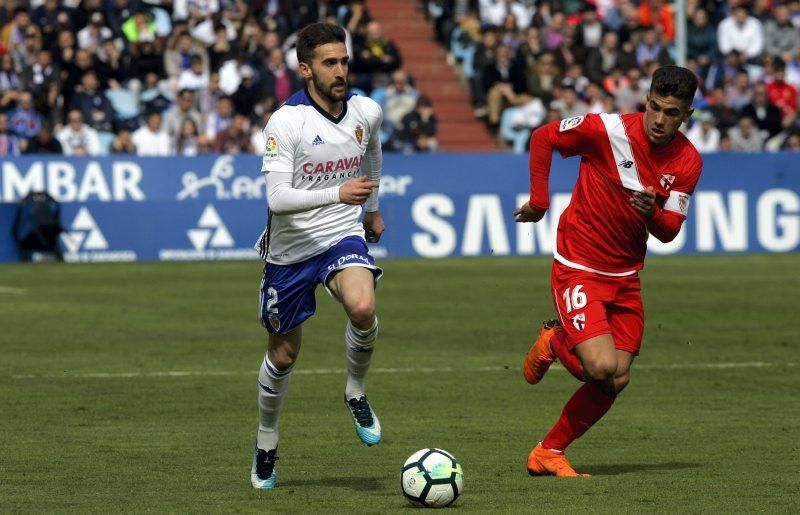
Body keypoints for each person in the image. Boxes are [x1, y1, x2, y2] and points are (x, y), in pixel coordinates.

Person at [514, 65, 703, 477]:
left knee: (616, 379)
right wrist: (540, 202)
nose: (658, 119)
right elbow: (543, 136)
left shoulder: (688, 161)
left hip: (625, 276)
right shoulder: (608, 129)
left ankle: (548, 451)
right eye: (654, 107)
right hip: (579, 264)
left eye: (671, 113)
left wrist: (650, 210)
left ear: (687, 114)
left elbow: (669, 231)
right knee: (598, 367)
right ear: (646, 99)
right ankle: (554, 339)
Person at [250, 22, 385, 490]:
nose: (341, 70)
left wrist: (370, 208)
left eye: (344, 61)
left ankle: (355, 391)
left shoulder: (367, 111)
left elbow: (372, 154)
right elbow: (277, 199)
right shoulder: (286, 122)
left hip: (340, 235)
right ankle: (267, 441)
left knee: (363, 307)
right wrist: (339, 193)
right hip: (289, 251)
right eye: (330, 63)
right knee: (284, 355)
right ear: (305, 69)